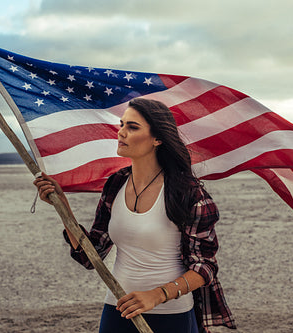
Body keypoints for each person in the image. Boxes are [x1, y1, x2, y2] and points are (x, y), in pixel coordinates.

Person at [34, 98, 236, 332]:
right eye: (122, 125)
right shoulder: (116, 184)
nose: (121, 133)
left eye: (132, 127)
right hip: (117, 309)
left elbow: (205, 267)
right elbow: (91, 256)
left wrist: (156, 295)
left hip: (171, 315)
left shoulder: (188, 193)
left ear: (157, 139)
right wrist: (63, 208)